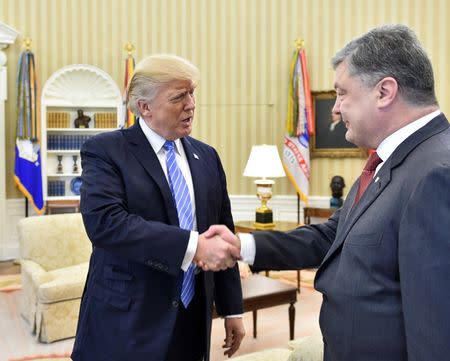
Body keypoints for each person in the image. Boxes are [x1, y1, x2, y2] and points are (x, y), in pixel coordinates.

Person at [204, 24, 450, 360]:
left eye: (343, 93)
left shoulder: (436, 174)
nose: (334, 109)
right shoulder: (392, 162)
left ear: (385, 92)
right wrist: (243, 245)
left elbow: (437, 331)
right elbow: (332, 238)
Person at [71, 54, 245, 361]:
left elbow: (222, 231)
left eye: (192, 93)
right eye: (179, 96)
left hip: (192, 322)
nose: (191, 104)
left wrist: (232, 308)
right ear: (144, 107)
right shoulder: (105, 151)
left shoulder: (207, 157)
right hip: (126, 324)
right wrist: (192, 247)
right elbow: (106, 224)